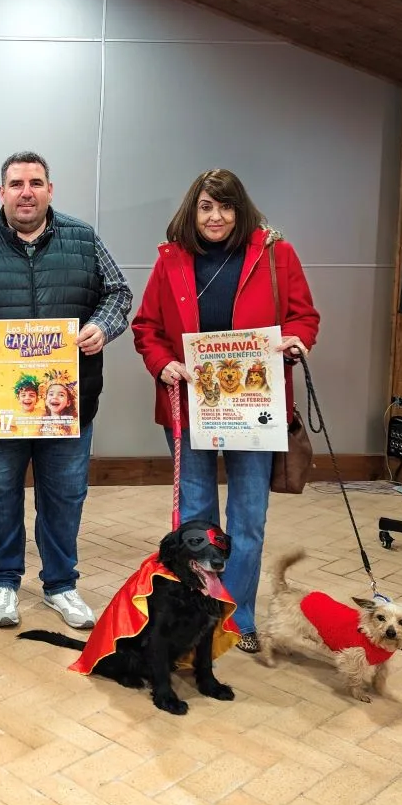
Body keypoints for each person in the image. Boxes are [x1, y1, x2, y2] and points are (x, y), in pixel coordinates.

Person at [0, 150, 132, 629]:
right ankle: (3, 581)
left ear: (50, 190)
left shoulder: (83, 238)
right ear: (1, 192)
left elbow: (119, 294)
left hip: (67, 405)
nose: (27, 192)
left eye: (36, 183)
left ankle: (61, 584)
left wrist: (102, 327)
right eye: (17, 184)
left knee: (64, 496)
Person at [131, 168, 319, 653]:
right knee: (196, 518)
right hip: (191, 403)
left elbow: (303, 316)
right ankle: (198, 613)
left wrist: (297, 340)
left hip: (254, 408)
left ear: (241, 209)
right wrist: (163, 363)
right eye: (206, 207)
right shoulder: (172, 259)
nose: (216, 217)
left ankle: (239, 617)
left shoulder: (276, 254)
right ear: (192, 211)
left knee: (248, 518)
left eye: (226, 206)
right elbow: (147, 327)